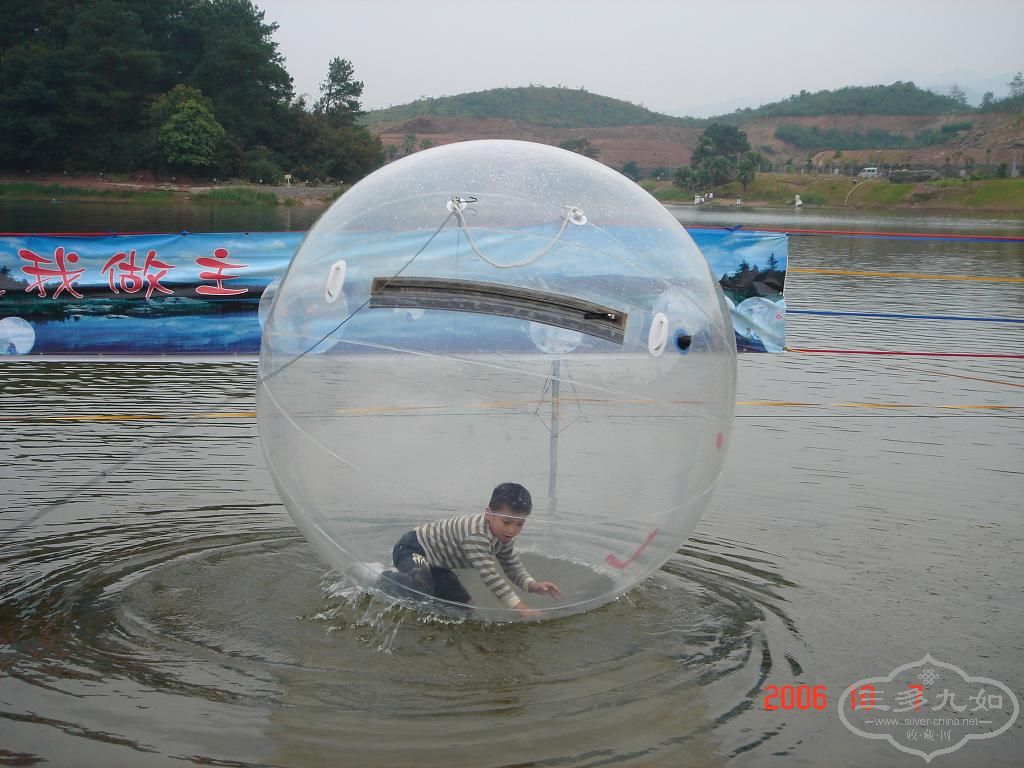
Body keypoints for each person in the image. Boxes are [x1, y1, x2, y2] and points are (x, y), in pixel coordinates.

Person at [386, 482, 561, 618]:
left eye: (520, 524)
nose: (512, 530)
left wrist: (532, 585)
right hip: (412, 548)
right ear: (489, 514)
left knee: (464, 607)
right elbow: (490, 576)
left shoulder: (503, 536)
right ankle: (385, 579)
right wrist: (521, 608)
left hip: (436, 564)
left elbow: (511, 565)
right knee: (421, 585)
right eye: (506, 522)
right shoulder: (476, 534)